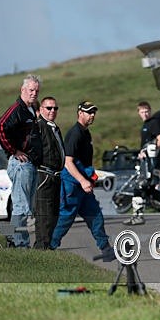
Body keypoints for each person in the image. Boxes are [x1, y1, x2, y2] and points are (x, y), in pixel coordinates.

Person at [50, 101, 115, 261]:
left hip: (82, 184)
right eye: (88, 112)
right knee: (65, 219)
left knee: (95, 215)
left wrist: (89, 177)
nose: (92, 115)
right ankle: (48, 248)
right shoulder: (75, 133)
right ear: (80, 113)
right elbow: (68, 162)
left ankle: (106, 249)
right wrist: (82, 180)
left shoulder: (86, 133)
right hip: (72, 184)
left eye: (93, 112)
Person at [0, 74, 43, 248]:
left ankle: (10, 238)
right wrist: (13, 150)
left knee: (22, 206)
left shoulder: (30, 109)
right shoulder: (17, 109)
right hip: (21, 164)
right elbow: (0, 126)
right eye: (31, 90)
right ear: (23, 90)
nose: (34, 93)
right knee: (22, 207)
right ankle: (21, 244)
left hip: (30, 163)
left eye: (37, 90)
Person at [123, 101, 160, 225]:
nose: (145, 114)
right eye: (142, 112)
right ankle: (138, 215)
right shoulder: (145, 125)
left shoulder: (153, 123)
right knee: (146, 189)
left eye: (147, 111)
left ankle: (140, 215)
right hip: (144, 161)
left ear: (150, 111)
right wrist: (142, 152)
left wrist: (151, 150)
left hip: (151, 163)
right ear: (138, 113)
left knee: (140, 187)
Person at [34, 97, 64, 249]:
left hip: (56, 175)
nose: (52, 111)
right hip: (44, 174)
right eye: (49, 108)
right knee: (44, 214)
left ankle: (48, 247)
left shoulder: (54, 127)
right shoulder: (39, 126)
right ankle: (41, 248)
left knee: (54, 214)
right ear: (41, 110)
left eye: (55, 108)